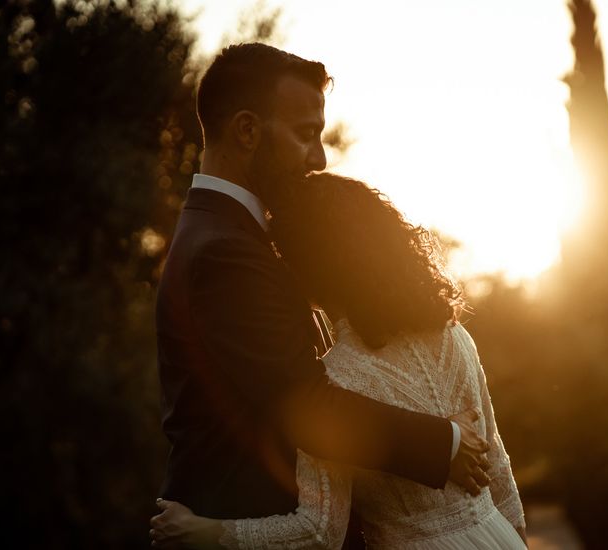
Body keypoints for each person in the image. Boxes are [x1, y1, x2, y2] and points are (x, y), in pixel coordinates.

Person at [153, 43, 490, 546]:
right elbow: (306, 406)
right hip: (241, 518)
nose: (319, 157)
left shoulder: (222, 232)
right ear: (246, 130)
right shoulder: (225, 251)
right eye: (306, 134)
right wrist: (445, 440)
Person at [152, 173, 527, 549]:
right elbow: (499, 472)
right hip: (498, 537)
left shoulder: (336, 381)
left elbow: (320, 533)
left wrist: (207, 532)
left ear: (304, 268)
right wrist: (515, 538)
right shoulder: (454, 335)